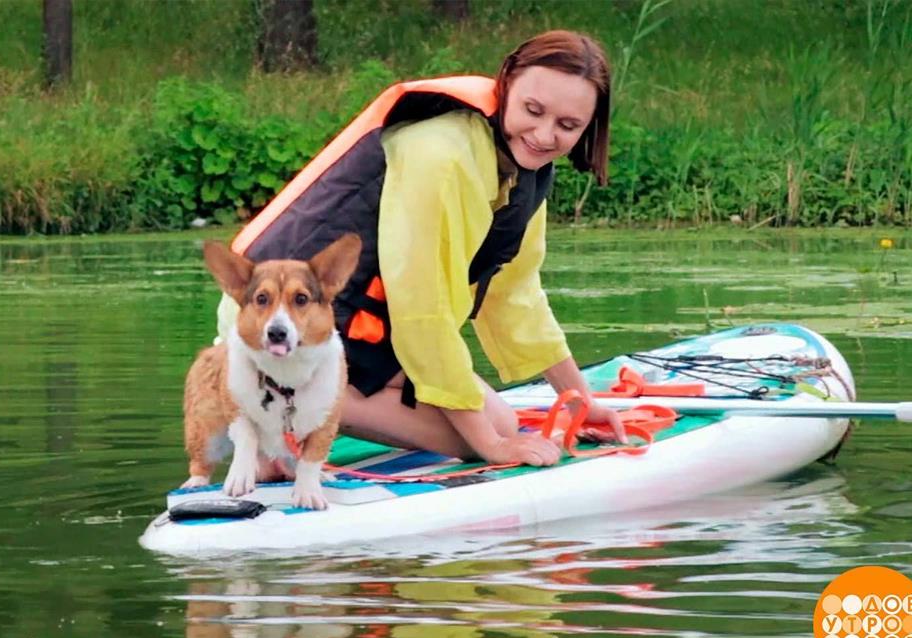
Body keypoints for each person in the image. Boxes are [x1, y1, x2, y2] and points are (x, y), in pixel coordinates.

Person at [217, 29, 627, 470]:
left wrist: (579, 402)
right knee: (485, 438)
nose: (544, 135)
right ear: (506, 81)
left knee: (503, 423)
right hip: (289, 329)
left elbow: (516, 296)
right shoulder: (440, 157)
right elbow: (421, 308)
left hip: (365, 336)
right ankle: (263, 399)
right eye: (532, 110)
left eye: (568, 126)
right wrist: (492, 448)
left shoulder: (522, 170)